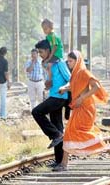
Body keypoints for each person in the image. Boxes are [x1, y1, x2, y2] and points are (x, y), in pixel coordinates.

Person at [55, 50, 110, 171]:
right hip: (78, 107)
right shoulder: (75, 74)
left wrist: (82, 97)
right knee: (69, 132)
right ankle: (64, 164)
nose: (68, 64)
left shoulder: (84, 72)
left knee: (81, 133)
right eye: (68, 61)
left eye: (71, 61)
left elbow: (96, 86)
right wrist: (64, 89)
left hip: (86, 108)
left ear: (77, 61)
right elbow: (74, 86)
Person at [32, 40, 70, 168]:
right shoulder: (50, 65)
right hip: (53, 95)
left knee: (36, 112)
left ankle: (55, 135)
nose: (40, 55)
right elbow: (52, 82)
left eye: (41, 52)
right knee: (57, 125)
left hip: (59, 97)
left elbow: (70, 79)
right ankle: (59, 161)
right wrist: (49, 84)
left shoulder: (59, 63)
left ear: (48, 51)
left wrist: (64, 89)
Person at [41, 19, 64, 89]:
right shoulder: (48, 36)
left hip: (56, 54)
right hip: (52, 54)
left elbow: (55, 46)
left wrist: (50, 56)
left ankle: (50, 81)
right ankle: (50, 75)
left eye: (46, 29)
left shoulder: (53, 36)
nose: (44, 31)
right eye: (43, 29)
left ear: (51, 28)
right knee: (43, 63)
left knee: (49, 64)